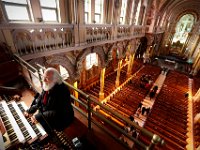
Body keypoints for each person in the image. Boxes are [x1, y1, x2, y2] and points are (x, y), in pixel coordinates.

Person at [24, 68, 74, 134]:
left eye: (46, 78)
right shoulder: (48, 85)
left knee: (43, 132)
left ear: (55, 80)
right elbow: (40, 99)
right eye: (43, 77)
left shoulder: (63, 91)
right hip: (48, 113)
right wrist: (31, 110)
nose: (43, 80)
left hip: (62, 118)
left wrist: (38, 116)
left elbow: (58, 112)